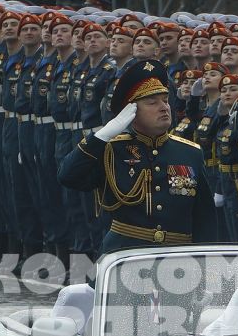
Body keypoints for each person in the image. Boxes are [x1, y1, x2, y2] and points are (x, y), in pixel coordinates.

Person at [59, 58, 213, 252]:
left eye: (165, 100)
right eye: (151, 102)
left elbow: (205, 220)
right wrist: (101, 136)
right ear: (131, 112)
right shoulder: (112, 150)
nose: (164, 107)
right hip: (126, 254)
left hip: (177, 258)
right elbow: (68, 176)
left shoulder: (190, 152)